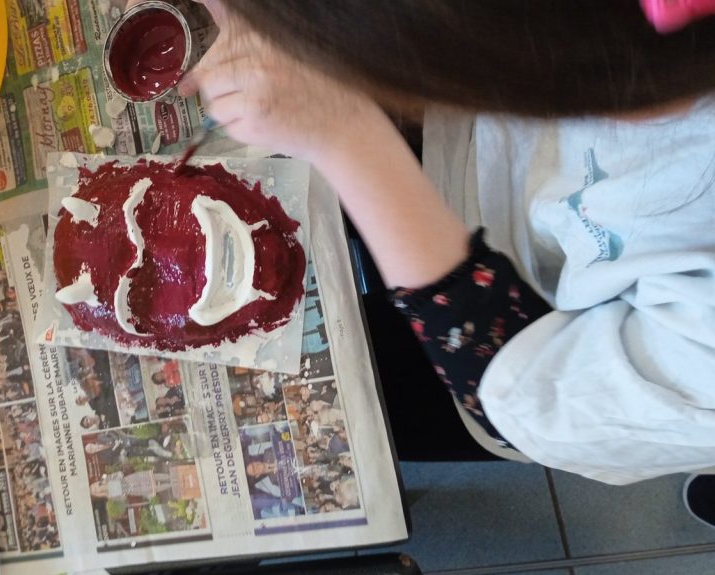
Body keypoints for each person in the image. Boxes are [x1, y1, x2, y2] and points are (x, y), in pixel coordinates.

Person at [165, 0, 715, 526]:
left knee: (340, 406)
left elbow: (530, 401)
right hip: (450, 138)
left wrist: (346, 135)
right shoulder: (542, 61)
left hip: (495, 340)